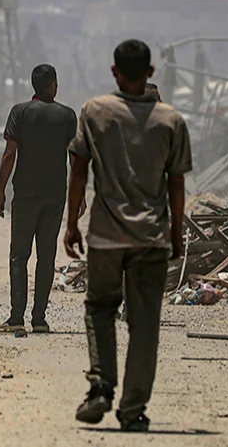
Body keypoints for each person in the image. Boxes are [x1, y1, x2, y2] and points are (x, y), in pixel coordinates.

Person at [64, 39, 192, 433]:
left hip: (105, 234)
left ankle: (101, 387)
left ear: (114, 71)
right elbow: (176, 185)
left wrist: (71, 223)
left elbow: (79, 171)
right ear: (150, 72)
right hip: (151, 237)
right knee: (145, 323)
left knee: (100, 308)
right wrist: (175, 234)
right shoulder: (171, 120)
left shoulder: (94, 111)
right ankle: (133, 409)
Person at [0, 64, 78, 335]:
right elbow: (75, 158)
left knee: (19, 256)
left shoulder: (20, 112)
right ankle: (39, 319)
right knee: (46, 255)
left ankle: (16, 317)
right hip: (55, 195)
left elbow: (9, 153)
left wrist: (0, 191)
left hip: (26, 194)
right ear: (52, 84)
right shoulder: (67, 115)